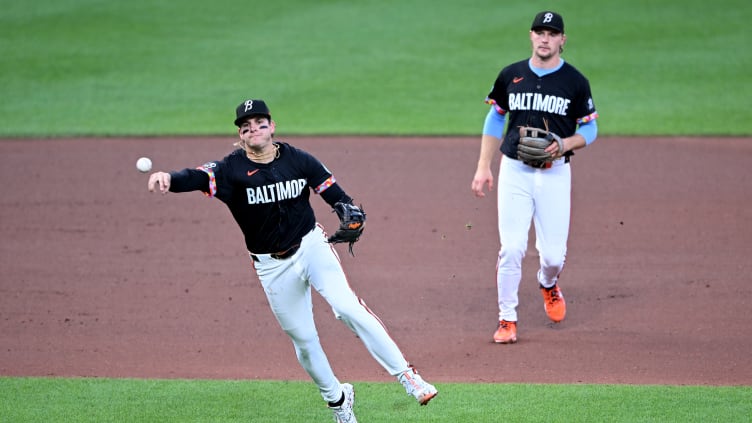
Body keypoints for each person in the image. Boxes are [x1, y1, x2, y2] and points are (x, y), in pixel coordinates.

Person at [147, 99, 437, 422]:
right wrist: (169, 179)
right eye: (246, 127)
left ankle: (408, 377)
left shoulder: (299, 160)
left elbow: (336, 195)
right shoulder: (231, 170)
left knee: (348, 307)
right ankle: (339, 402)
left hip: (311, 246)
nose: (253, 129)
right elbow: (197, 176)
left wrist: (349, 211)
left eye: (259, 123)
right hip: (271, 267)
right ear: (240, 137)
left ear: (272, 126)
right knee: (304, 340)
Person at [470, 11, 599, 344]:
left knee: (553, 256)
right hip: (514, 170)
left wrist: (565, 143)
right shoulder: (511, 75)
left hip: (555, 174)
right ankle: (507, 319)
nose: (545, 38)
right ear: (531, 36)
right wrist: (484, 165)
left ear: (562, 40)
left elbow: (591, 127)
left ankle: (547, 283)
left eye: (552, 33)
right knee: (511, 248)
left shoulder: (575, 81)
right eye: (540, 32)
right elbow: (495, 118)